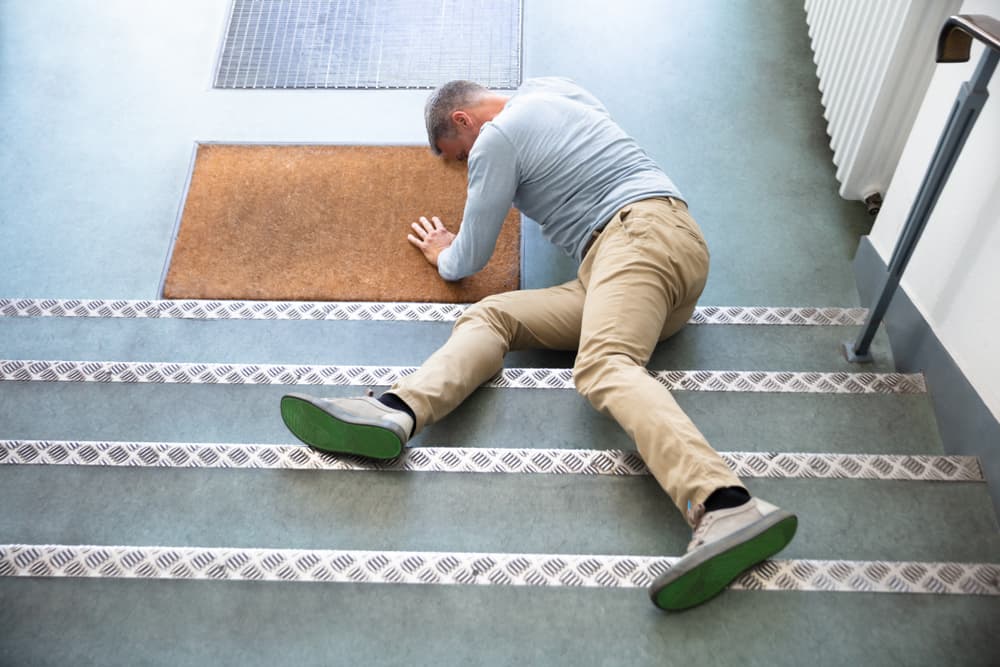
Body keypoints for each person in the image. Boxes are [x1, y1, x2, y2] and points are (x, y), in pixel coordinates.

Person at [280, 77, 797, 610]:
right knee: (495, 315)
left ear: (463, 122)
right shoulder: (554, 89)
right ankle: (395, 409)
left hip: (636, 237)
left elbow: (468, 259)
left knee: (605, 366)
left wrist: (441, 250)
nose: (464, 166)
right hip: (646, 261)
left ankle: (725, 502)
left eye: (457, 158)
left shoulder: (496, 137)